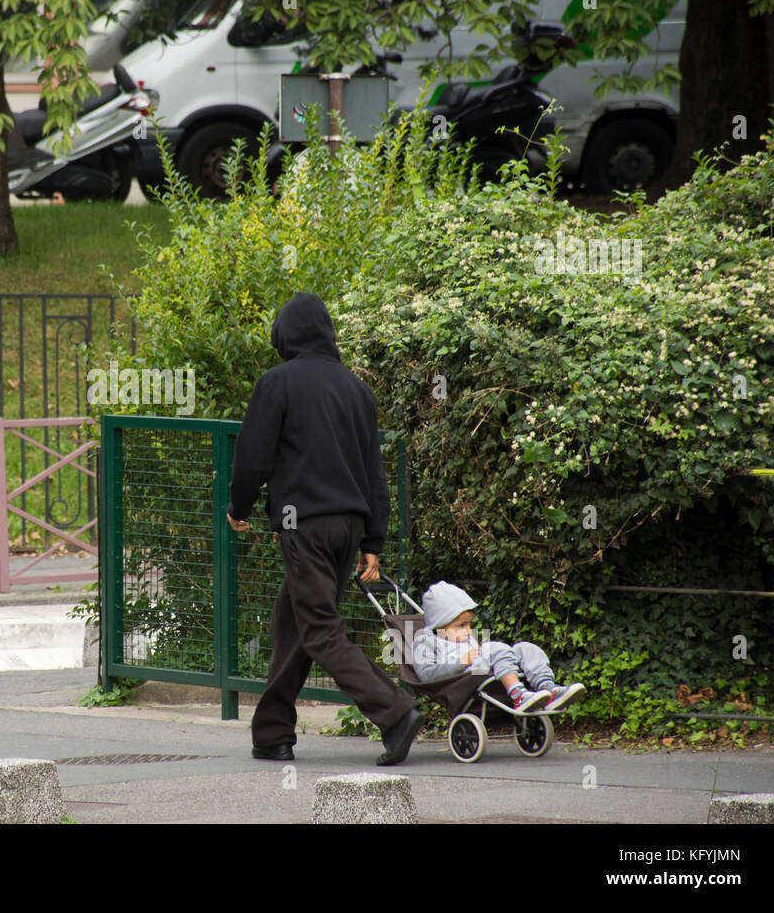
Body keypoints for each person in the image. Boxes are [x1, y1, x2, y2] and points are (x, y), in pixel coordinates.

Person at [229, 292, 424, 766]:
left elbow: (253, 453)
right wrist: (373, 539)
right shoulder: (357, 389)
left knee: (318, 629)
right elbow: (373, 471)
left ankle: (396, 712)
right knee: (291, 620)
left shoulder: (277, 383)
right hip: (348, 526)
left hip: (305, 525)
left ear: (286, 335)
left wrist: (240, 505)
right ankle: (272, 734)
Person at [411, 580, 586, 711]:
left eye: (469, 624)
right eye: (461, 626)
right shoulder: (426, 641)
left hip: (486, 671)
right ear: (439, 625)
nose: (468, 631)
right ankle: (518, 695)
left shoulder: (462, 638)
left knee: (524, 648)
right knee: (491, 648)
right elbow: (427, 676)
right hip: (463, 681)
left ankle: (547, 687)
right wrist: (461, 662)